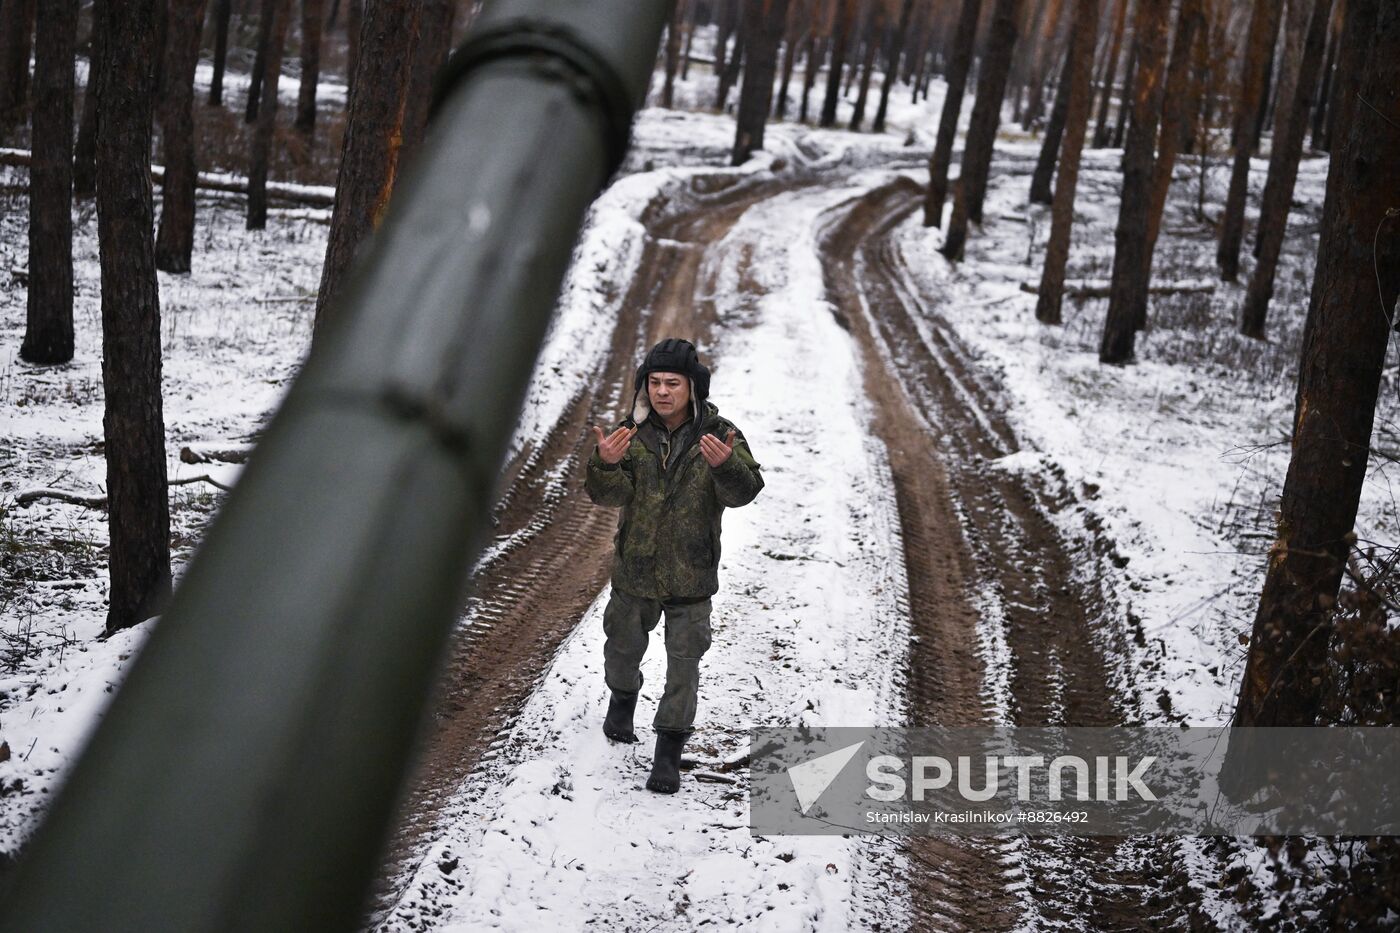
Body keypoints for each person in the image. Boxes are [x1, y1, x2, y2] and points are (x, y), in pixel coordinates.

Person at [585, 338, 764, 793]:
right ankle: (622, 699)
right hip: (635, 572)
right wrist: (604, 465)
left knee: (684, 667)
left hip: (691, 574)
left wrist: (727, 468)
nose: (662, 392)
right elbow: (609, 496)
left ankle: (668, 750)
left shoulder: (720, 435)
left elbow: (743, 493)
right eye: (654, 382)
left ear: (693, 389)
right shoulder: (630, 434)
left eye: (673, 383)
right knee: (621, 650)